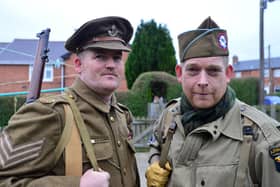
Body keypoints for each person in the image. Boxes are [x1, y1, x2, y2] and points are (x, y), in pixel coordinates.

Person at [0, 16, 140, 187]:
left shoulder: (121, 115)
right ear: (78, 64)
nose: (111, 65)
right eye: (100, 57)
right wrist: (77, 185)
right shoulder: (50, 114)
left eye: (117, 58)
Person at [145, 17, 280, 187]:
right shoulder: (170, 115)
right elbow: (156, 143)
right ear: (179, 73)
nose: (203, 81)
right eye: (193, 70)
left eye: (213, 71)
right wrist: (153, 161)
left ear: (228, 73)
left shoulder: (264, 139)